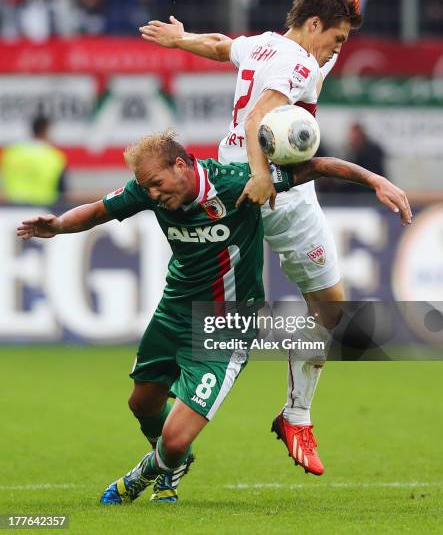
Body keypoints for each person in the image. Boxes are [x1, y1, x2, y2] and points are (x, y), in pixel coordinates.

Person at [17, 131, 410, 503]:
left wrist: (376, 180)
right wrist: (58, 226)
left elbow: (315, 165)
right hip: (175, 311)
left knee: (173, 440)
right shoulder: (148, 189)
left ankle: (149, 471)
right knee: (142, 403)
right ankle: (174, 463)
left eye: (158, 183)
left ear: (182, 165)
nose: (153, 194)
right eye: (147, 188)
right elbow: (99, 211)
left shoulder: (237, 182)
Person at [139, 0, 379, 477]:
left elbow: (223, 46)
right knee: (330, 311)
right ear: (314, 24)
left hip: (227, 182)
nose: (333, 51)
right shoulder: (298, 66)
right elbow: (257, 121)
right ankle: (296, 415)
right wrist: (263, 173)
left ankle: (169, 382)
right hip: (277, 192)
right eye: (335, 39)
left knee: (218, 301)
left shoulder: (265, 44)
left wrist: (182, 41)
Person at [1, 115, 67, 205]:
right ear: (45, 130)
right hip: (43, 208)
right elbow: (62, 189)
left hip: (13, 207)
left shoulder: (12, 152)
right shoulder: (53, 156)